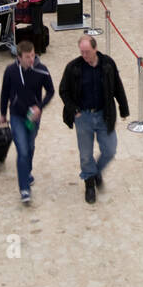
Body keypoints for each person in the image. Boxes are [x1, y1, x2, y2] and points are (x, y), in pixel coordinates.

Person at [59, 35, 130, 205]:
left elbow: (117, 87)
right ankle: (89, 183)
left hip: (104, 115)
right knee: (85, 154)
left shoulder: (107, 64)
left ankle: (95, 172)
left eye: (87, 52)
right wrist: (74, 110)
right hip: (83, 117)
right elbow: (64, 90)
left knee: (110, 150)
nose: (85, 55)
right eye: (82, 52)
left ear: (95, 48)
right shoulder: (73, 67)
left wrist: (123, 108)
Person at [0, 40, 55, 204]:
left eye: (32, 55)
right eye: (27, 56)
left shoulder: (42, 70)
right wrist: (3, 114)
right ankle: (24, 189)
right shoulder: (10, 71)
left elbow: (51, 91)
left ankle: (26, 172)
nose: (31, 59)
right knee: (22, 150)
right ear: (19, 57)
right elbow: (4, 93)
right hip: (16, 115)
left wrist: (40, 107)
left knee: (30, 146)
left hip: (33, 116)